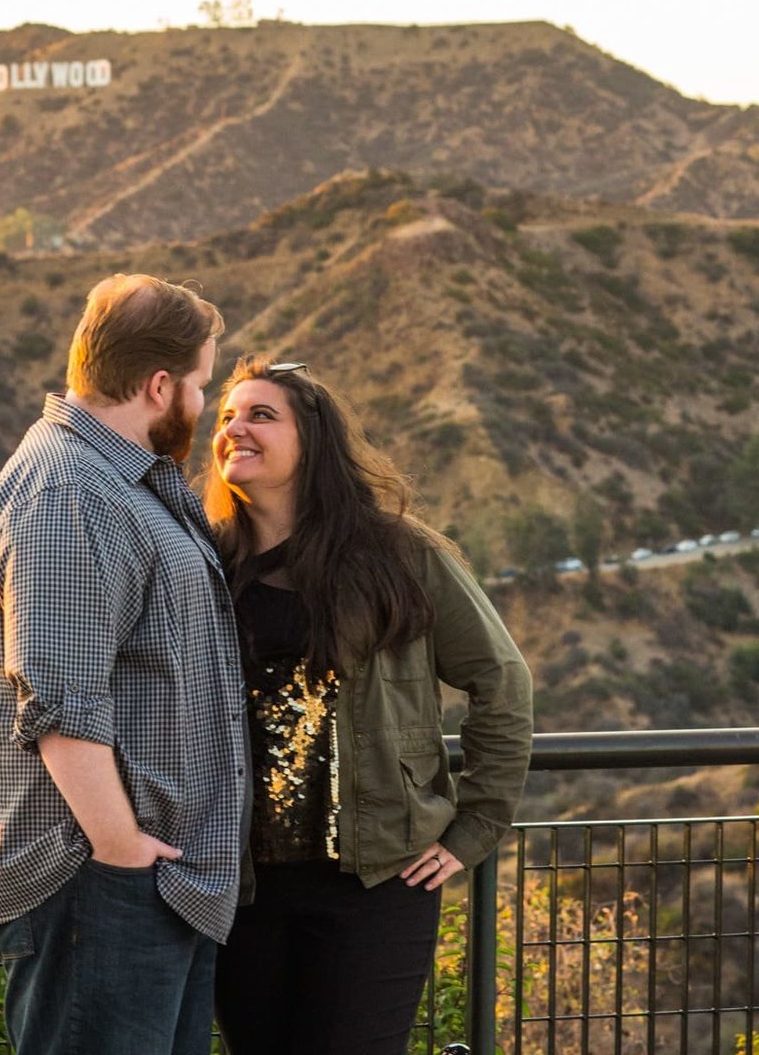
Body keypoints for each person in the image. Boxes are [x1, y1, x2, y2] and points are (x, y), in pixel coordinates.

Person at [0, 274, 246, 1055]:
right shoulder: (71, 492)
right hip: (101, 881)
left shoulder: (112, 481)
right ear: (159, 384)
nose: (201, 410)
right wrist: (121, 849)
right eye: (202, 387)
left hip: (147, 879)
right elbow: (61, 699)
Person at [206, 355, 534, 1055]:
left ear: (313, 441)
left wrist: (475, 827)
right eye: (228, 415)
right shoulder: (208, 562)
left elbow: (501, 681)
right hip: (241, 889)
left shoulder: (400, 557)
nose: (236, 427)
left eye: (261, 414)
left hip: (376, 882)